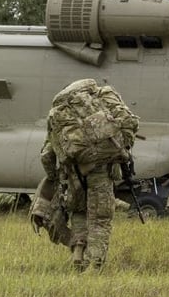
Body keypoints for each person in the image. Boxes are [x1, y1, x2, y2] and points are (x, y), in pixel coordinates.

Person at [39, 79, 138, 271]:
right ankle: (96, 263)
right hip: (101, 170)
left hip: (72, 173)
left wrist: (53, 176)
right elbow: (130, 123)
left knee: (79, 212)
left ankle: (78, 256)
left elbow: (46, 154)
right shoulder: (103, 100)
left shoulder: (59, 114)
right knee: (100, 219)